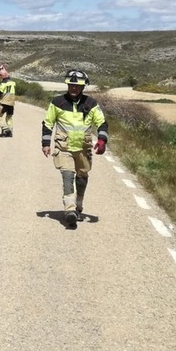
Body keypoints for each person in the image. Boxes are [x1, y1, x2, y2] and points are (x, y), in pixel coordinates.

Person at [42, 69, 108, 230]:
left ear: (83, 87)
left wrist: (102, 140)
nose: (73, 88)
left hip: (83, 150)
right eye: (71, 84)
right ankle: (70, 211)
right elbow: (48, 123)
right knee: (67, 175)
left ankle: (79, 205)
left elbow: (102, 123)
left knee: (81, 178)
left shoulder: (91, 104)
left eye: (77, 85)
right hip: (63, 148)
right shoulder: (57, 102)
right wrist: (45, 143)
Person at [0, 64, 15, 137]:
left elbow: (0, 92)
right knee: (9, 117)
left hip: (4, 102)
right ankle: (10, 131)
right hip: (11, 103)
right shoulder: (13, 83)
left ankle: (5, 130)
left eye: (0, 75)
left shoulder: (4, 83)